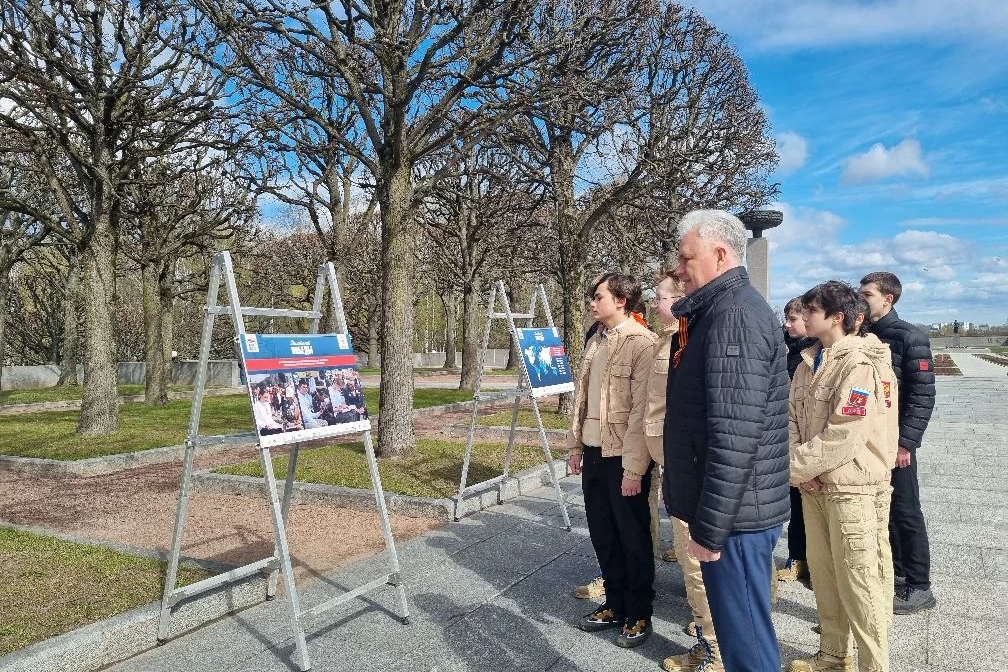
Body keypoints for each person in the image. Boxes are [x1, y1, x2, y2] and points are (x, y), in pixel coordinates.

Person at [663, 210, 790, 672]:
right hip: (734, 511)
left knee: (746, 644)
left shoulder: (734, 315)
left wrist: (711, 528)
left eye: (686, 257)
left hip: (735, 518)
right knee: (741, 639)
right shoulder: (719, 310)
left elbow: (734, 435)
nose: (679, 269)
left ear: (720, 254)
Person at [788, 280, 898, 672]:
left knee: (860, 583)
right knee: (825, 575)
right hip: (814, 487)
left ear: (837, 317)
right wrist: (801, 473)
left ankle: (873, 666)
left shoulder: (860, 364)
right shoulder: (808, 362)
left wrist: (797, 468)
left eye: (812, 310)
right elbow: (791, 420)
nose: (804, 317)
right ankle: (834, 656)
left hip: (853, 489)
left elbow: (847, 431)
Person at [567, 272, 657, 648]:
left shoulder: (642, 342)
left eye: (599, 296)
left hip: (623, 457)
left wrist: (634, 468)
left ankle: (639, 612)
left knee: (632, 537)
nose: (592, 302)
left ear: (621, 300)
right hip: (593, 451)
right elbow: (582, 400)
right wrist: (575, 446)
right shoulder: (597, 338)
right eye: (592, 297)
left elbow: (641, 413)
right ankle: (615, 603)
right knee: (603, 534)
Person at [644, 271, 723, 672]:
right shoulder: (667, 340)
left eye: (659, 297)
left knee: (697, 563)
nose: (653, 303)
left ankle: (714, 649)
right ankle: (708, 637)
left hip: (688, 468)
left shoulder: (690, 343)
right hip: (672, 463)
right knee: (692, 561)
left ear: (679, 300)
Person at [859, 272, 936, 615]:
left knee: (906, 511)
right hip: (872, 441)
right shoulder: (864, 335)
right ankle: (898, 573)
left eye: (867, 295)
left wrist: (905, 443)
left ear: (888, 298)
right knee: (886, 511)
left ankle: (919, 586)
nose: (861, 300)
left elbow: (922, 396)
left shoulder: (909, 337)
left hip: (897, 443)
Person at [777, 296, 819, 586]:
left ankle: (813, 563)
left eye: (793, 319)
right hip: (787, 434)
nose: (787, 324)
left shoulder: (816, 353)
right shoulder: (783, 347)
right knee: (793, 501)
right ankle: (796, 558)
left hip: (809, 437)